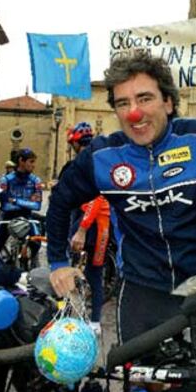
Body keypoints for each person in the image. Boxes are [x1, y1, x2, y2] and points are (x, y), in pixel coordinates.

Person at [46, 52, 196, 342]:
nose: (134, 112)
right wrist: (58, 263)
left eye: (145, 98)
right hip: (140, 292)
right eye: (123, 103)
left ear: (168, 102)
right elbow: (59, 201)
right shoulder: (103, 155)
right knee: (142, 384)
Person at [63, 122, 111, 334]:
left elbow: (97, 198)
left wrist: (81, 229)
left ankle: (94, 321)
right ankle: (81, 316)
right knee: (81, 271)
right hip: (84, 218)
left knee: (93, 272)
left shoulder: (94, 162)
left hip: (94, 224)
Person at [0, 148, 43, 255]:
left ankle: (32, 265)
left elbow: (37, 206)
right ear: (21, 161)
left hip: (27, 217)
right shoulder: (6, 180)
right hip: (8, 218)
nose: (34, 165)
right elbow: (5, 205)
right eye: (31, 162)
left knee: (36, 244)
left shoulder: (36, 180)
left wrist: (16, 201)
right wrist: (26, 203)